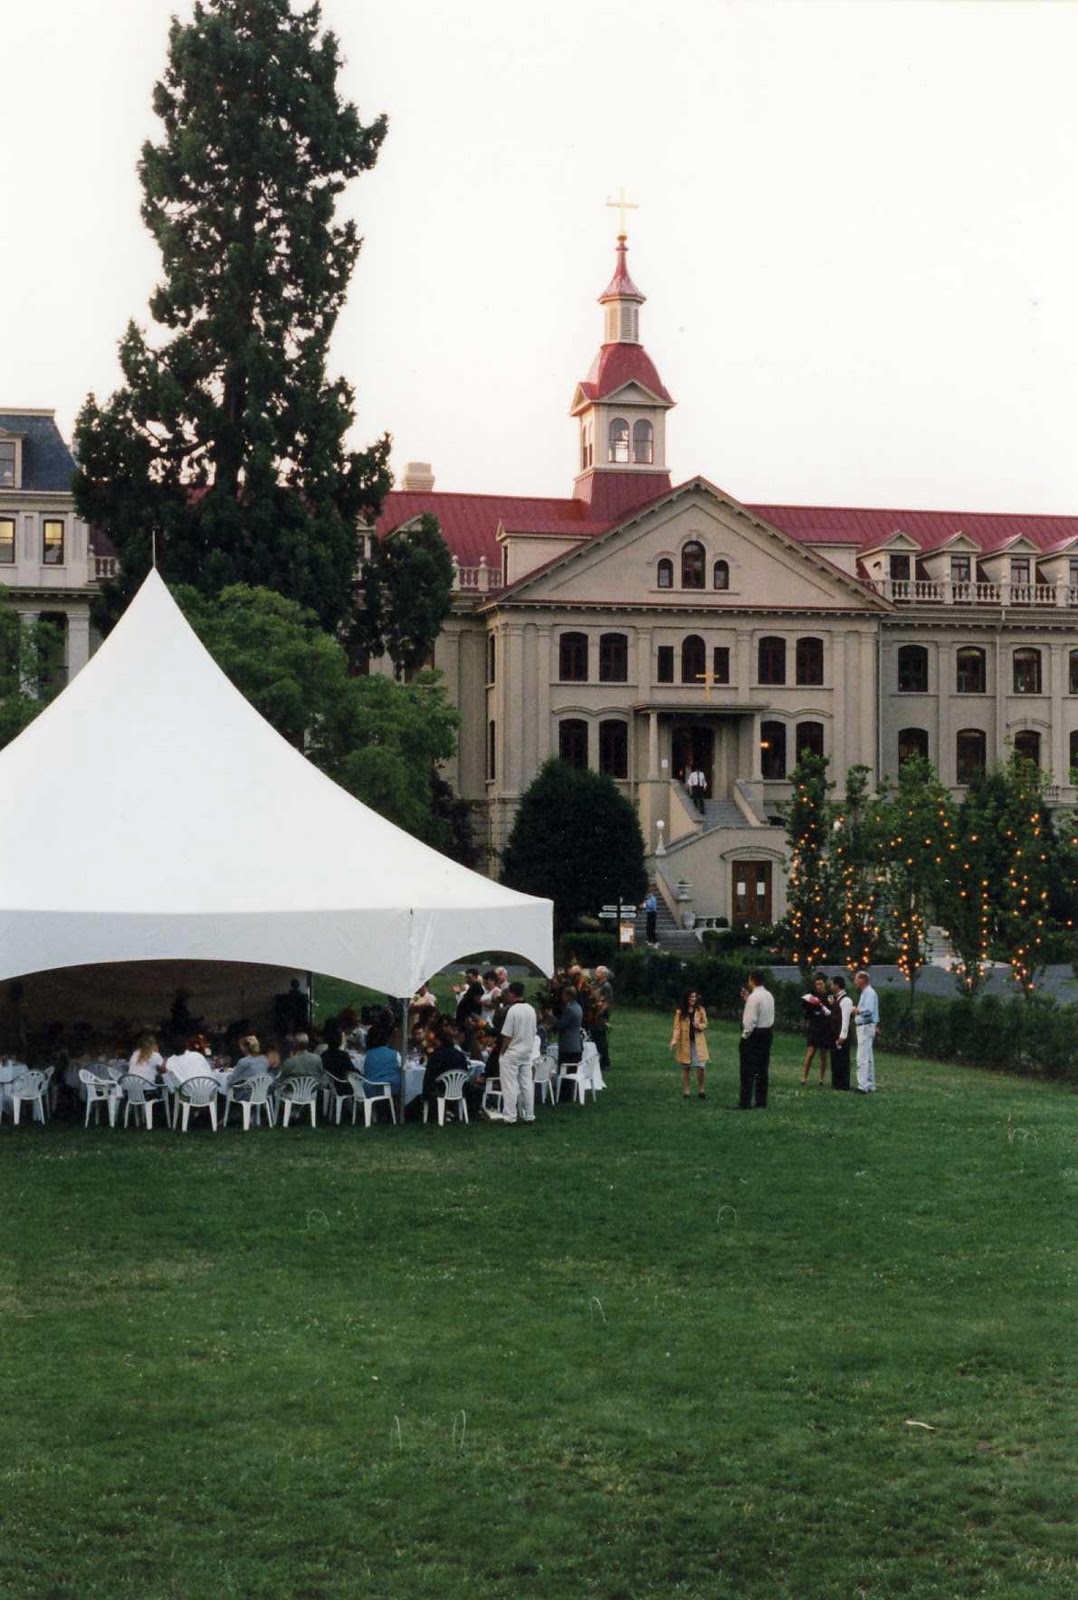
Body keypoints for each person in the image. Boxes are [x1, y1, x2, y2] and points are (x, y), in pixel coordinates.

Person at [496, 981, 538, 1125]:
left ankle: (510, 1116)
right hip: (526, 1051)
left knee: (509, 1085)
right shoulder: (531, 1009)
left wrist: (502, 1051)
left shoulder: (513, 1011)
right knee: (526, 1084)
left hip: (513, 1052)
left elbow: (507, 1034)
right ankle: (529, 1114)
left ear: (512, 994)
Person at [738, 969, 775, 1108]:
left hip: (755, 1034)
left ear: (752, 980)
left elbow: (749, 1021)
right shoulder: (769, 995)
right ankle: (761, 1101)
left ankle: (745, 1101)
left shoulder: (754, 997)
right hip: (767, 1032)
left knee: (747, 1069)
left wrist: (745, 1037)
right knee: (762, 1069)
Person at [670, 989, 708, 1099]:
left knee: (701, 1066)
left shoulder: (700, 1010)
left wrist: (699, 1026)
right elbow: (677, 1027)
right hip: (685, 1042)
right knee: (686, 1066)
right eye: (691, 997)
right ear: (687, 998)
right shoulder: (680, 1012)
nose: (693, 999)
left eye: (695, 997)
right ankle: (686, 1091)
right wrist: (674, 1040)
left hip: (698, 1042)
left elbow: (705, 1023)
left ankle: (701, 1089)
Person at [550, 985, 583, 1100]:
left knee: (564, 1069)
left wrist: (551, 1018)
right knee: (572, 1070)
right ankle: (570, 1092)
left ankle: (565, 1094)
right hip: (576, 1044)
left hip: (568, 1044)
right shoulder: (578, 1007)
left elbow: (561, 1024)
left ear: (568, 996)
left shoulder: (569, 1009)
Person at [799, 974, 833, 1086]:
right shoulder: (812, 995)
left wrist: (822, 1006)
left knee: (823, 1054)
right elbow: (805, 1007)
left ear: (825, 984)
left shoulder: (830, 996)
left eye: (821, 984)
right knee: (810, 1053)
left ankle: (821, 1079)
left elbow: (830, 1011)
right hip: (814, 1027)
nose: (819, 986)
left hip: (825, 1028)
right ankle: (804, 1077)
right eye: (817, 984)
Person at [854, 970, 880, 1092]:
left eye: (857, 979)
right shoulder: (868, 992)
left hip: (865, 1026)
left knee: (862, 1057)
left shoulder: (868, 993)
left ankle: (862, 1085)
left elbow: (868, 1010)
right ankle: (870, 1084)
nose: (855, 981)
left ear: (862, 980)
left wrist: (857, 1011)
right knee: (868, 1057)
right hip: (869, 1026)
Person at [829, 975, 854, 1091]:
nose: (831, 986)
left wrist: (842, 1035)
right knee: (835, 1059)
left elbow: (845, 1019)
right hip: (835, 1033)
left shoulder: (846, 1000)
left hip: (841, 1035)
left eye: (832, 984)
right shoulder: (837, 999)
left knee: (842, 1060)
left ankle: (843, 1084)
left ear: (837, 985)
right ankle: (836, 1082)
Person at [591, 965, 614, 1075]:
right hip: (593, 1015)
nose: (595, 974)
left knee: (601, 1039)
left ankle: (605, 1062)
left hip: (600, 1016)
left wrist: (599, 1012)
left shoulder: (606, 986)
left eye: (598, 972)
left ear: (604, 974)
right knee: (594, 1038)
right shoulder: (594, 984)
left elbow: (607, 1002)